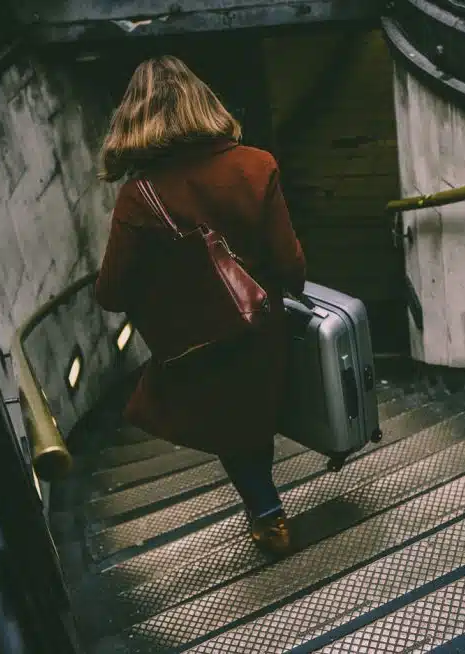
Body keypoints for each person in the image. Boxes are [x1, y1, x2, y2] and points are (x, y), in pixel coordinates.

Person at [93, 55, 307, 554]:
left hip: (198, 339)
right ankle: (268, 508)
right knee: (252, 420)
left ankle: (268, 515)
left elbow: (112, 293)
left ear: (134, 117)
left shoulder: (137, 197)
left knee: (234, 430)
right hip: (262, 325)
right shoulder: (256, 164)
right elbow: (291, 265)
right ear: (202, 101)